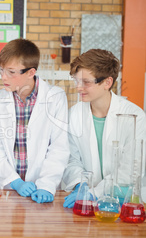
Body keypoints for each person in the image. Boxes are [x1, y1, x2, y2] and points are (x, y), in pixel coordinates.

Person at [0, 39, 70, 203]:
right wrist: (14, 181)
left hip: (42, 190)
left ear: (31, 73)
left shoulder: (55, 98)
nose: (4, 77)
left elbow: (59, 148)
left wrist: (46, 184)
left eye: (11, 72)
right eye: (1, 70)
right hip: (7, 190)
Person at [62, 49, 146, 208]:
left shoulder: (134, 116)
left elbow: (130, 169)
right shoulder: (74, 114)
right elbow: (71, 159)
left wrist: (95, 192)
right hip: (84, 202)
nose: (79, 88)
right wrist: (81, 185)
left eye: (86, 82)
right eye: (76, 81)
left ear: (107, 82)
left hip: (122, 202)